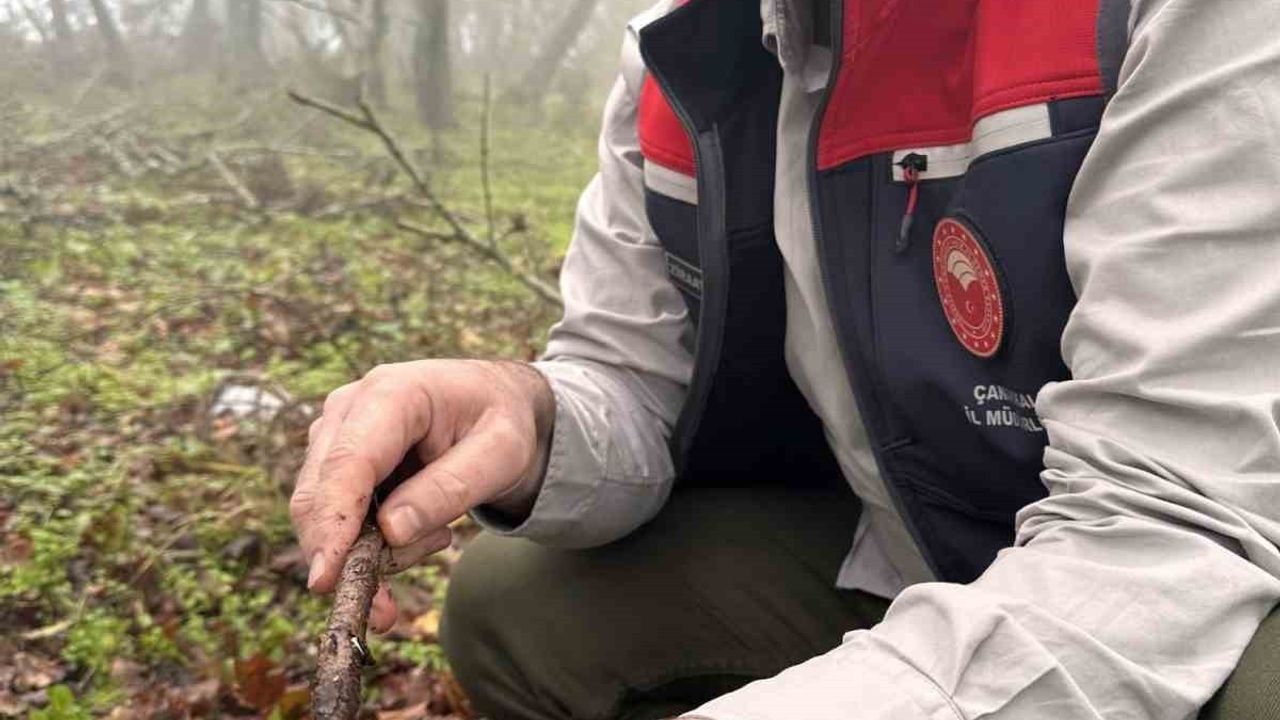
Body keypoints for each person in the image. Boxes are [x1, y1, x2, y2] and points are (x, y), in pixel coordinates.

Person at [290, 0, 1280, 717]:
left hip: (1215, 562)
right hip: (934, 547)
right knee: (519, 606)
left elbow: (1168, 533)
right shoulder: (688, 54)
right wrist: (528, 412)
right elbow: (634, 380)